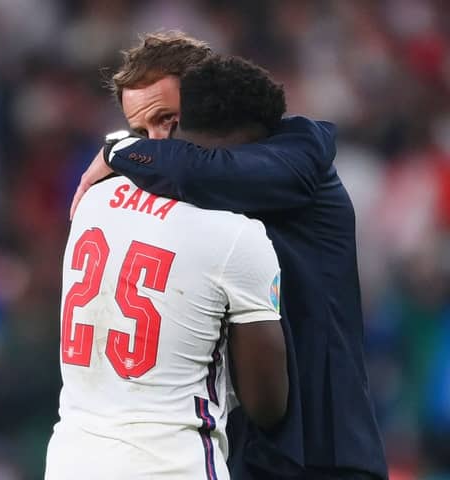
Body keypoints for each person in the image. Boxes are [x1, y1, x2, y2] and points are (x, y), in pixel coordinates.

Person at [71, 31, 387, 480]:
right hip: (236, 449)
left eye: (167, 118)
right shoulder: (175, 193)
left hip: (323, 450)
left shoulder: (300, 149)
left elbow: (207, 171)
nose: (158, 141)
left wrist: (121, 149)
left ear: (204, 96)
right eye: (142, 130)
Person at [45, 57, 290, 480]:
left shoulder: (93, 200)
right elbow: (267, 405)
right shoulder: (235, 233)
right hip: (171, 463)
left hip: (71, 459)